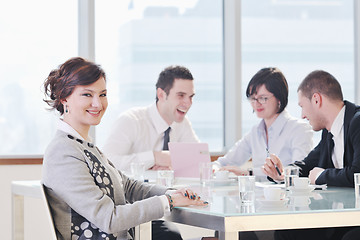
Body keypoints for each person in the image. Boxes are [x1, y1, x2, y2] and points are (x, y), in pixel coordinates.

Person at [41, 57, 207, 240]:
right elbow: (109, 218)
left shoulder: (84, 145)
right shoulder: (63, 152)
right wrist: (168, 201)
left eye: (102, 94)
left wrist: (171, 193)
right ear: (64, 98)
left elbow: (127, 186)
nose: (98, 103)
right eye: (87, 95)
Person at [263, 70, 360, 240]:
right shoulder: (329, 132)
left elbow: (357, 174)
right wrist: (283, 172)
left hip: (354, 222)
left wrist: (322, 175)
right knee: (288, 231)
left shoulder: (357, 122)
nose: (302, 115)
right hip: (341, 218)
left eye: (302, 106)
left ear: (316, 99)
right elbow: (308, 164)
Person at [214, 67, 313, 179]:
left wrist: (249, 173)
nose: (256, 104)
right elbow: (224, 162)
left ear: (279, 98)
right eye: (252, 98)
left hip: (287, 195)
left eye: (263, 98)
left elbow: (299, 172)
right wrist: (216, 169)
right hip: (259, 196)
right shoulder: (255, 132)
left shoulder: (299, 129)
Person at [102, 65, 199, 172]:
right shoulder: (131, 121)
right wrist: (154, 158)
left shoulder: (182, 123)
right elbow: (107, 162)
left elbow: (198, 160)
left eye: (191, 97)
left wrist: (169, 167)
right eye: (181, 95)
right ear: (161, 94)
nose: (188, 103)